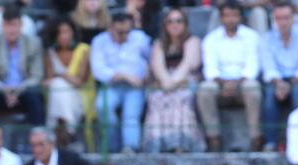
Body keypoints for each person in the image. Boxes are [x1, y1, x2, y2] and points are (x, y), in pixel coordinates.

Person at [198, 1, 262, 152]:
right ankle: (214, 138)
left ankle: (255, 138)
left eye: (234, 15)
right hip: (220, 85)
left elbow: (252, 67)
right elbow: (210, 69)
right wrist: (223, 83)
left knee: (253, 87)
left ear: (241, 17)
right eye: (227, 16)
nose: (230, 19)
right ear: (221, 18)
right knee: (205, 89)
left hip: (243, 84)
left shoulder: (252, 36)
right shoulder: (211, 39)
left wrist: (236, 83)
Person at [142, 8, 204, 153]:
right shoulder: (159, 43)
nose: (174, 25)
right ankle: (158, 144)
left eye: (178, 21)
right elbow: (157, 66)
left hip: (186, 80)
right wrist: (166, 83)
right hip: (164, 82)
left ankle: (181, 144)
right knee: (156, 99)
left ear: (185, 24)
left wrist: (171, 83)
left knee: (180, 99)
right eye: (170, 22)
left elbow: (189, 64)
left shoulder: (193, 41)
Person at [260, 1, 298, 151]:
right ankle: (270, 142)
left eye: (286, 18)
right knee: (269, 95)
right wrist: (279, 83)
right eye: (278, 18)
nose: (282, 22)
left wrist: (289, 84)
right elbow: (268, 68)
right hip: (277, 81)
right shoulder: (267, 38)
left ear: (294, 18)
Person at [90, 12, 151, 153]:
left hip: (135, 86)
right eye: (120, 32)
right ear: (110, 28)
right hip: (111, 85)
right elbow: (98, 70)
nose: (125, 36)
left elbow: (151, 58)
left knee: (131, 115)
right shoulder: (99, 41)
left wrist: (147, 74)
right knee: (102, 107)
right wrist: (123, 75)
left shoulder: (140, 38)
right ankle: (112, 147)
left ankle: (130, 148)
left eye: (128, 31)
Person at [0, 5, 45, 127]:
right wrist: (5, 90)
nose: (11, 30)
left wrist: (17, 90)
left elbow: (37, 76)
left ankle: (39, 135)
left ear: (21, 25)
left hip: (24, 90)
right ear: (2, 25)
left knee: (35, 95)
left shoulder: (33, 43)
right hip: (0, 92)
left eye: (14, 25)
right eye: (7, 25)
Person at [43, 16, 95, 142]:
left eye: (67, 31)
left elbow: (79, 82)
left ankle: (56, 132)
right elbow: (49, 82)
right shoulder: (50, 53)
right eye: (59, 32)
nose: (63, 36)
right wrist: (62, 78)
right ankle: (68, 130)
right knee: (57, 85)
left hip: (80, 96)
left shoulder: (83, 50)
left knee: (58, 84)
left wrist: (61, 75)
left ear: (73, 32)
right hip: (58, 97)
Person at [24, 126, 93, 165]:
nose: (37, 150)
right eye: (33, 145)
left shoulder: (71, 159)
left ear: (52, 143)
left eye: (41, 144)